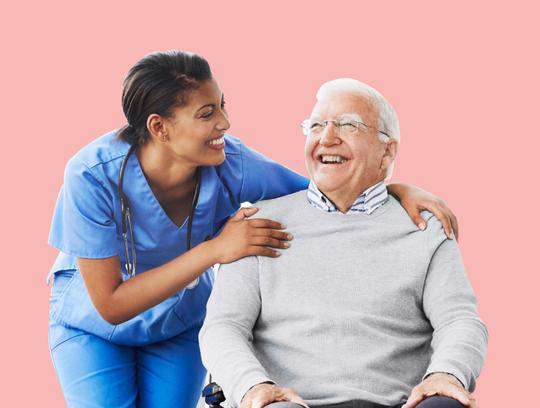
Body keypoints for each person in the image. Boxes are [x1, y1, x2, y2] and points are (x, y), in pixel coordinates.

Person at [48, 51, 460, 408]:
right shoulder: (91, 175)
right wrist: (215, 251)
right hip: (93, 326)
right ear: (160, 127)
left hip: (176, 322)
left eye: (222, 105)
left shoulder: (233, 164)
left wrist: (393, 186)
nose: (226, 122)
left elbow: (327, 190)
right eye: (207, 113)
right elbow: (111, 304)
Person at [199, 78, 488, 408]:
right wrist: (253, 386)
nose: (327, 138)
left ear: (387, 150)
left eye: (348, 125)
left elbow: (459, 321)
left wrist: (447, 375)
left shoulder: (425, 228)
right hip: (287, 403)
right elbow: (223, 328)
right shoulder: (256, 225)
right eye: (317, 125)